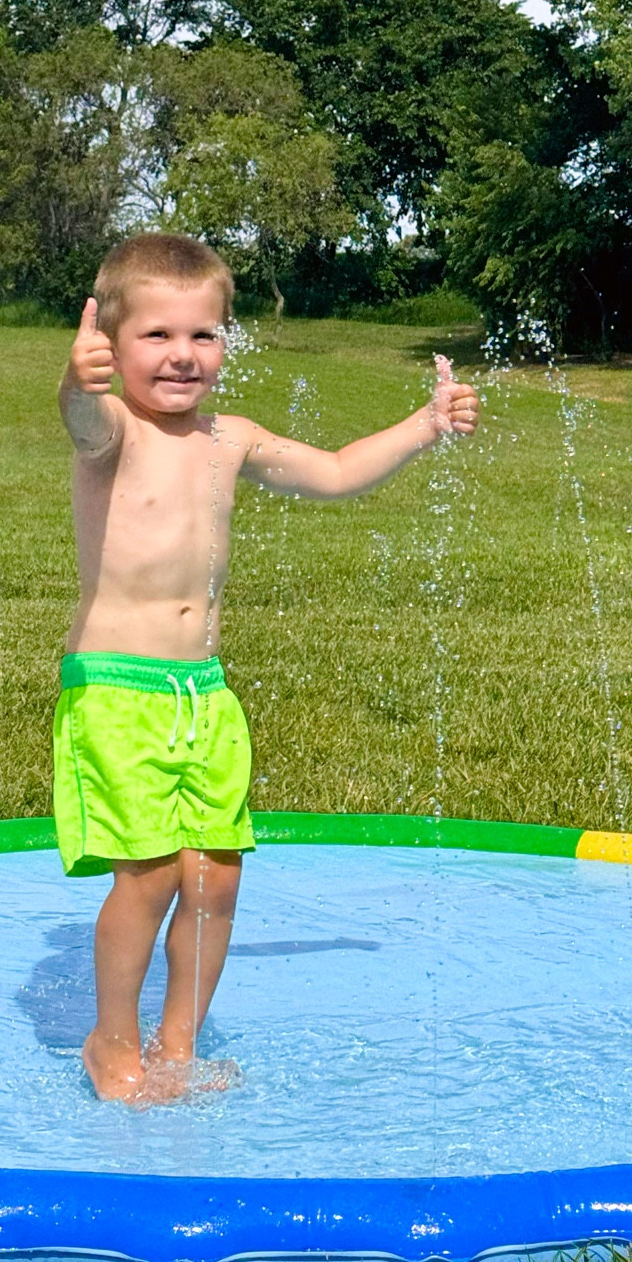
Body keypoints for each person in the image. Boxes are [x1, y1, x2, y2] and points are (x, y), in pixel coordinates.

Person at [55, 231, 480, 1103]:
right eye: (157, 337)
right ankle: (111, 1042)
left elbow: (331, 473)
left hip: (203, 695)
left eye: (204, 335)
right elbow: (78, 414)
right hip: (117, 689)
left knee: (215, 875)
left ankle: (177, 1046)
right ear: (115, 342)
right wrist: (79, 378)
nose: (183, 356)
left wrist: (425, 424)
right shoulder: (112, 431)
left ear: (226, 342)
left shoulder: (230, 439)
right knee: (149, 872)